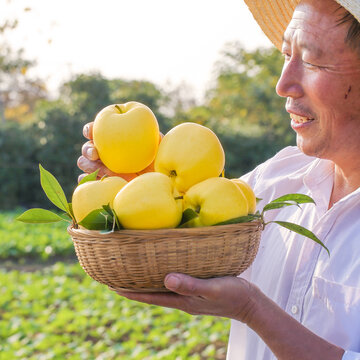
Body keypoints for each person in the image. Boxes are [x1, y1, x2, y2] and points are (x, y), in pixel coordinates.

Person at [77, 0, 360, 358]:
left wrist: (252, 310)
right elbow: (191, 216)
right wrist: (142, 179)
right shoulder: (277, 179)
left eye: (311, 61)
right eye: (286, 56)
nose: (283, 84)